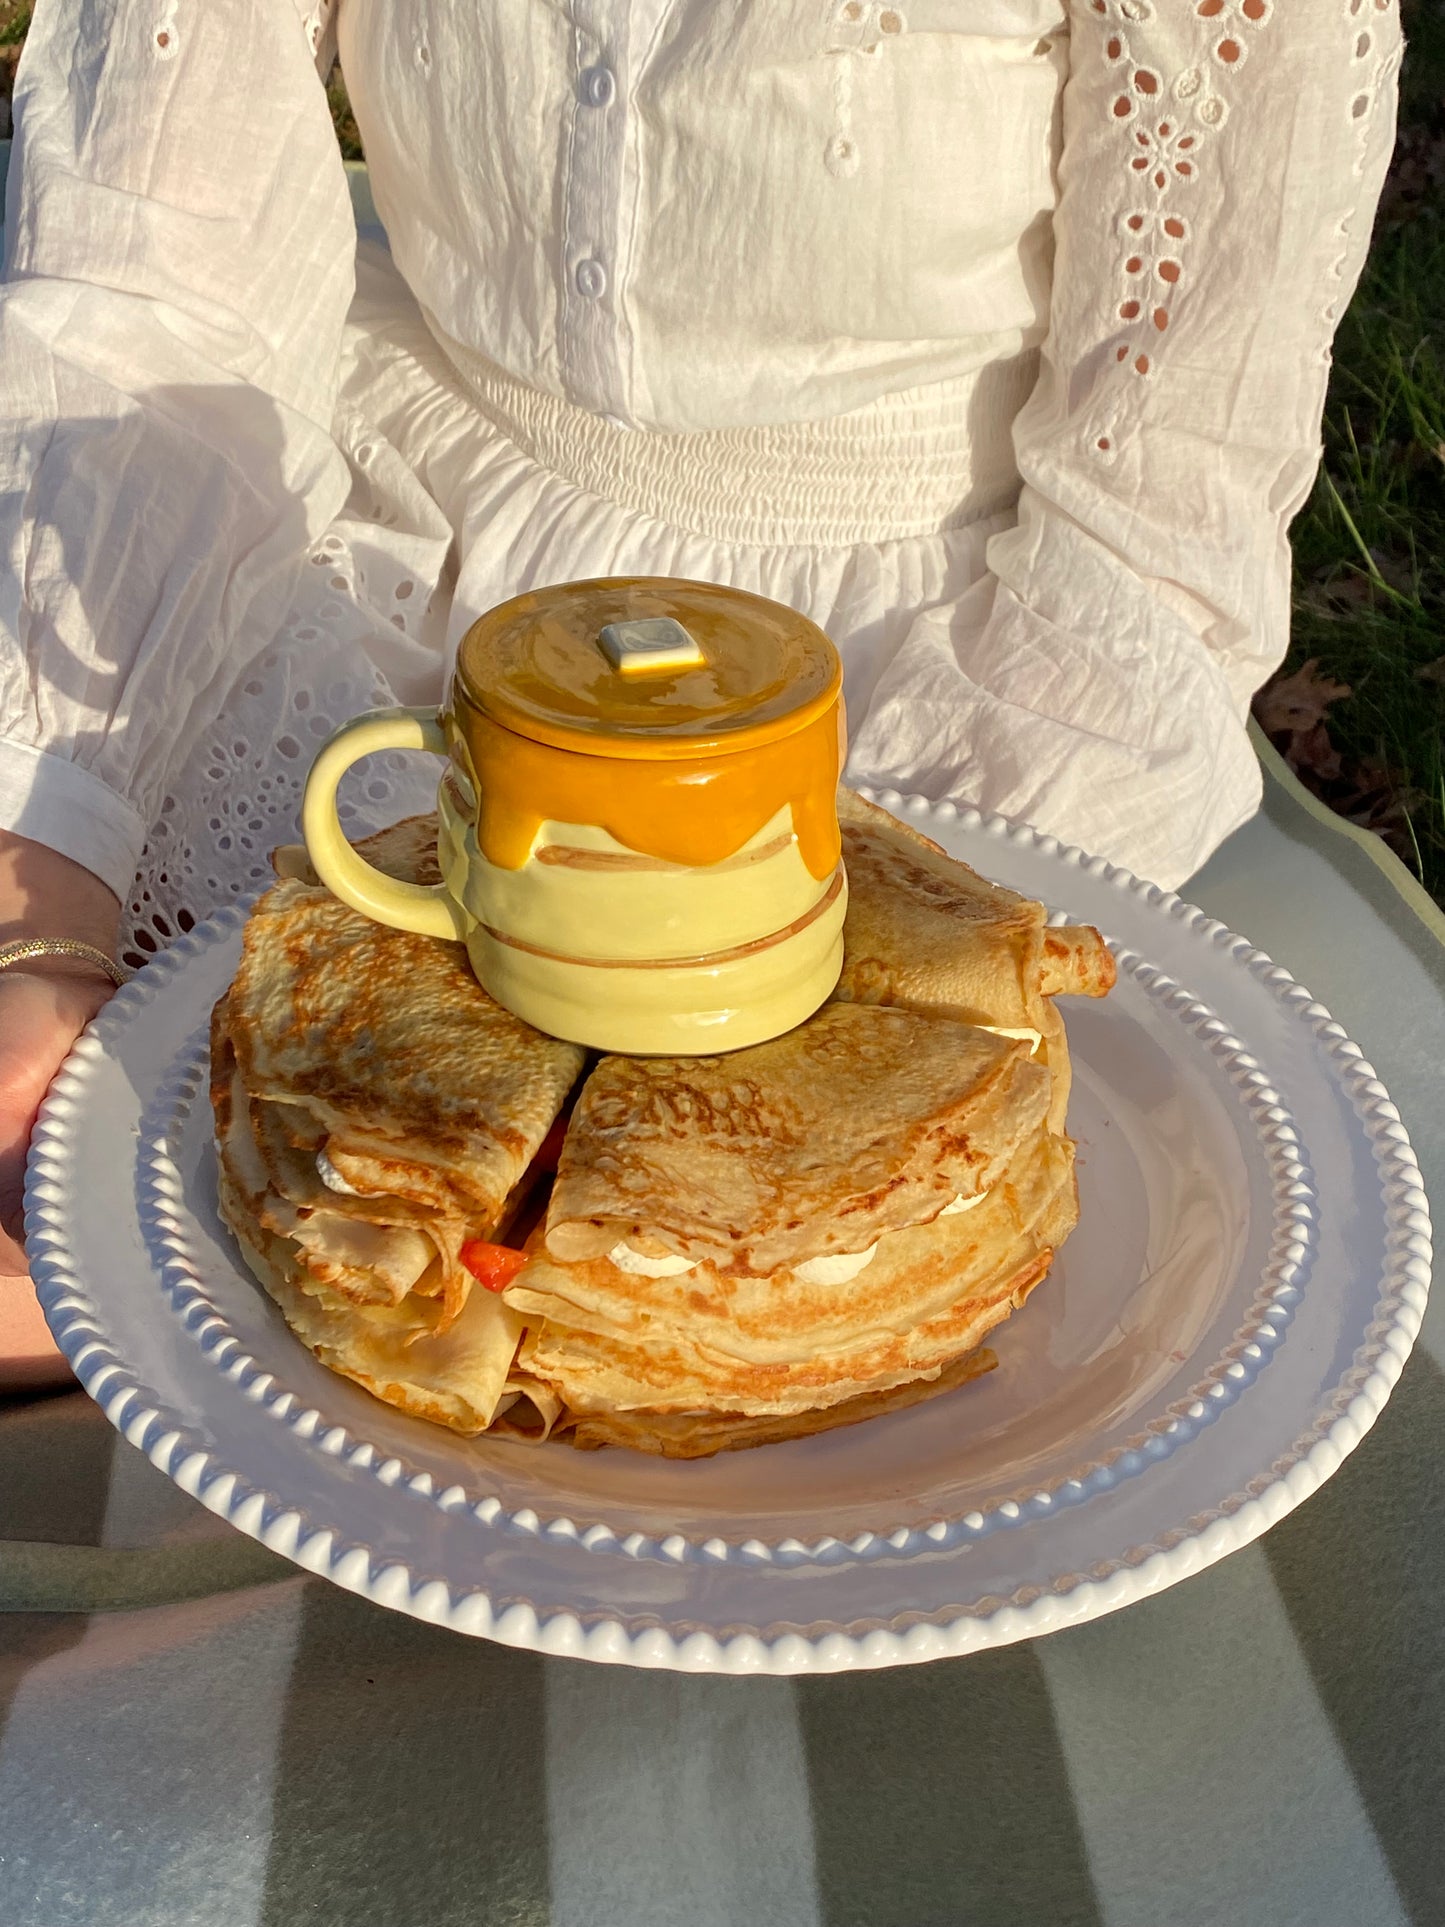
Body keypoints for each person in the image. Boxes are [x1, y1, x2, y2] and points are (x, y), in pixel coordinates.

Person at [0, 0, 1402, 1356]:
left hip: (933, 679)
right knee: (137, 1220)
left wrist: (787, 997)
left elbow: (1156, 516)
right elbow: (155, 293)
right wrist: (46, 850)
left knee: (755, 1303)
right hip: (371, 541)